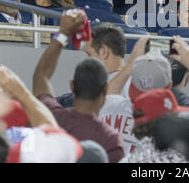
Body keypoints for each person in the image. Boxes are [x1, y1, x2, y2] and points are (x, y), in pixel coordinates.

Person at [32, 10, 125, 163]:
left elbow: (41, 75)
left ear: (72, 86)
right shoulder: (112, 141)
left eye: (88, 54)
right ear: (105, 89)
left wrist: (62, 34)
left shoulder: (53, 118)